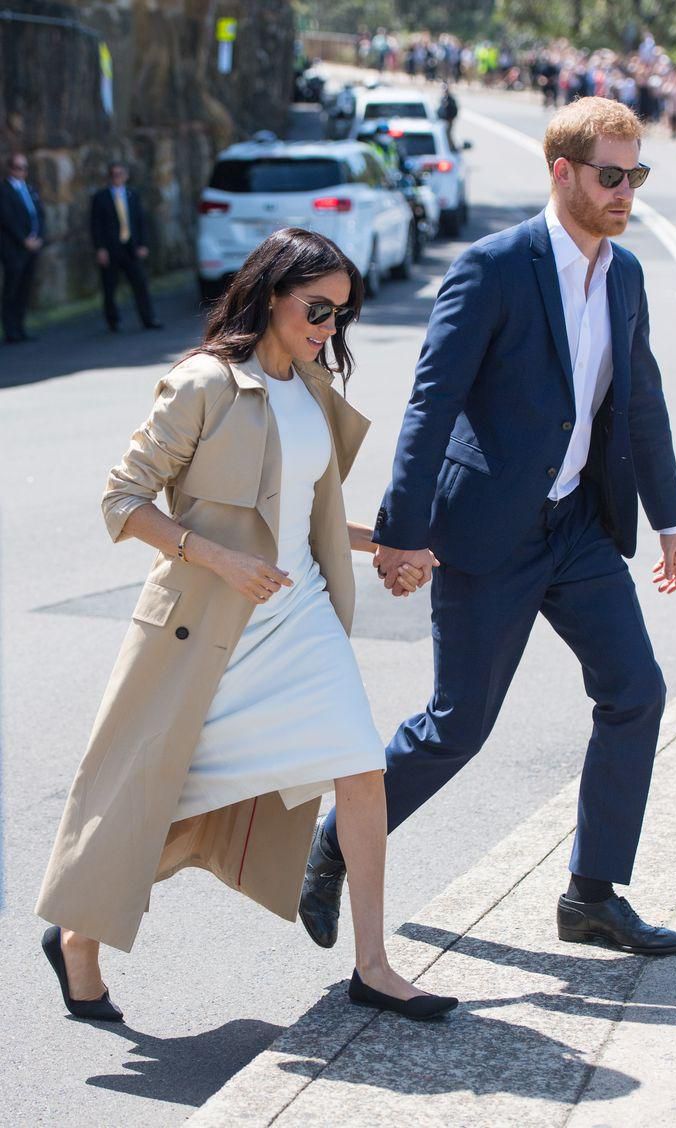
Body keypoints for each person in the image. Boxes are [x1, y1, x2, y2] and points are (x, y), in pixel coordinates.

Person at [301, 98, 676, 959]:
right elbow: (431, 403)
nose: (626, 192)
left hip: (578, 527)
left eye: (636, 174)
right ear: (563, 172)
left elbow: (641, 403)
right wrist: (402, 533)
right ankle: (336, 840)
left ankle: (592, 895)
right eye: (611, 175)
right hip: (487, 531)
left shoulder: (624, 276)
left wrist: (670, 518)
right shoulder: (493, 268)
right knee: (458, 726)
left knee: (635, 690)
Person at [36, 228, 457, 1024]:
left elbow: (305, 515)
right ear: (270, 295)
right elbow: (122, 500)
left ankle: (374, 966)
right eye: (318, 308)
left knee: (361, 766)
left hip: (301, 618)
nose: (330, 327)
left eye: (342, 313)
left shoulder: (311, 387)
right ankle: (78, 933)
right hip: (209, 633)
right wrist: (218, 559)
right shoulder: (205, 383)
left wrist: (388, 545)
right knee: (171, 808)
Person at [90, 162, 162, 332]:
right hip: (111, 248)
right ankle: (112, 321)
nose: (117, 177)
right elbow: (96, 225)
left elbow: (140, 221)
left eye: (120, 174)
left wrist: (142, 244)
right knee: (110, 287)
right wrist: (100, 248)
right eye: (114, 174)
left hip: (130, 247)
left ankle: (148, 318)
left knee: (140, 283)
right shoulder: (100, 197)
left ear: (126, 176)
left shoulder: (132, 195)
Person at [0, 153, 45, 344]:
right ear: (10, 169)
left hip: (31, 247)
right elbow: (7, 219)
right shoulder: (4, 190)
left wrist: (39, 237)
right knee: (12, 289)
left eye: (25, 168)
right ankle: (10, 330)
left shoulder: (30, 189)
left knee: (25, 289)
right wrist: (23, 240)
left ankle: (20, 327)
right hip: (14, 249)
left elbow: (39, 214)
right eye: (19, 168)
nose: (22, 172)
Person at [438, 83, 459, 147]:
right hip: (443, 120)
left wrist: (451, 118)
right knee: (443, 134)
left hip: (449, 120)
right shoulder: (443, 98)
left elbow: (454, 110)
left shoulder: (450, 99)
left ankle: (451, 146)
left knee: (448, 134)